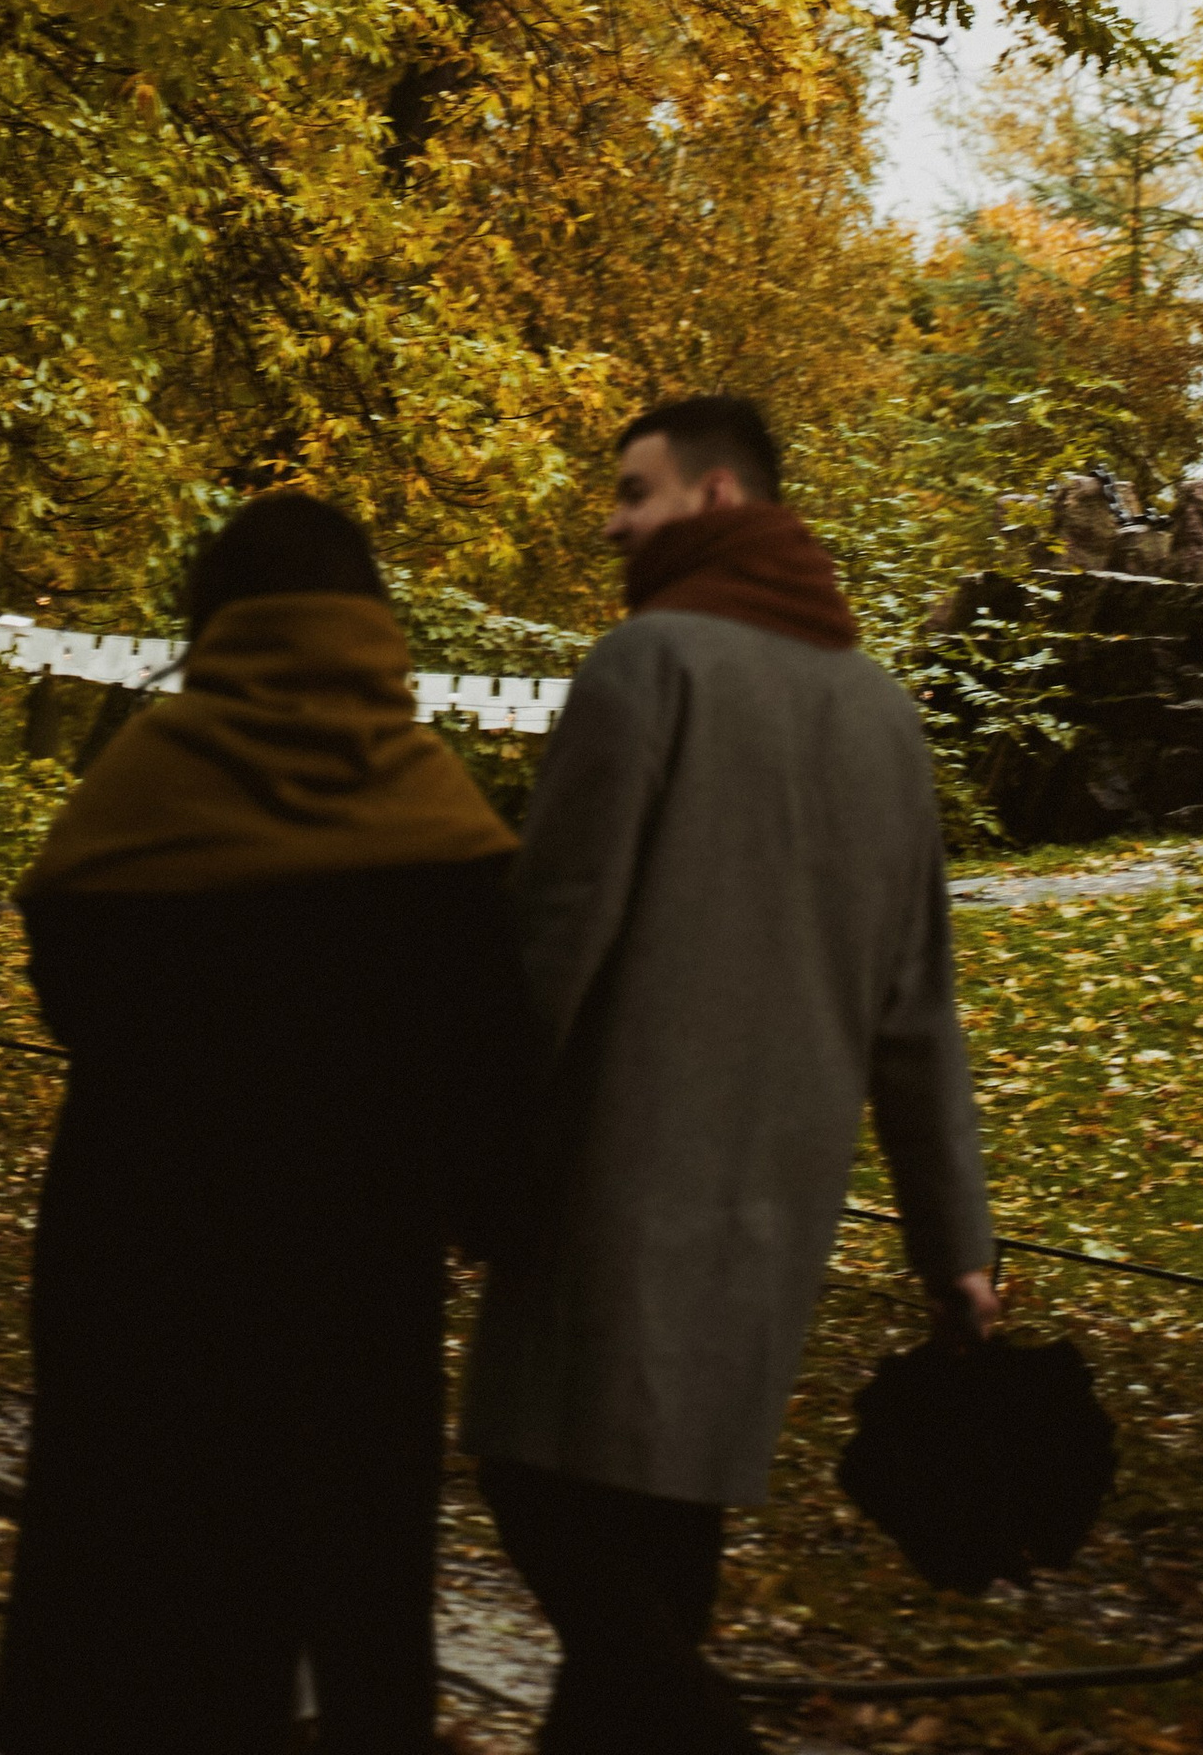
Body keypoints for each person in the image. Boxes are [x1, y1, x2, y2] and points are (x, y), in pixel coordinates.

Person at [462, 392, 997, 1753]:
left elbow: (551, 944)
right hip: (770, 1232)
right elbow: (917, 1013)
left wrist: (462, 1157)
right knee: (660, 1558)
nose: (611, 518)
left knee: (533, 1487)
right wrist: (958, 1253)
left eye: (633, 492)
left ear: (713, 501)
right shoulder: (884, 718)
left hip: (604, 1201)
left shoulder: (648, 665)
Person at [0, 489, 541, 1755]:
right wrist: (494, 1209)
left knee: (119, 1554)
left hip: (139, 1254)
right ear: (370, 624)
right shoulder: (439, 823)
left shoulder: (142, 783)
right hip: (353, 1276)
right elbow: (494, 1061)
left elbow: (70, 986)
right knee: (353, 1558)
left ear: (216, 619)